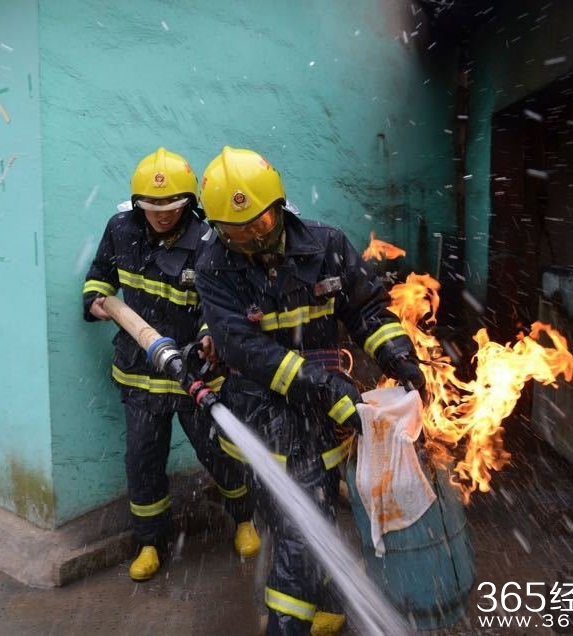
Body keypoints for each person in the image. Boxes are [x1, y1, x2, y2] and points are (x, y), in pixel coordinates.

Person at [194, 147, 425, 636]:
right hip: (262, 422)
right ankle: (288, 622)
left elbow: (366, 311)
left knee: (307, 521)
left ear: (278, 205)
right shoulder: (214, 266)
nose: (252, 237)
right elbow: (246, 350)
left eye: (258, 222)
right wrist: (324, 388)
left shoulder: (326, 245)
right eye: (235, 231)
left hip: (318, 422)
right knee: (298, 533)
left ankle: (324, 605)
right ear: (218, 230)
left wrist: (397, 355)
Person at [82, 147, 261, 582]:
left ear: (188, 204)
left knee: (219, 452)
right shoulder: (121, 230)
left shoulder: (206, 241)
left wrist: (206, 336)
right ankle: (149, 542)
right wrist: (95, 300)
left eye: (173, 207)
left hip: (193, 373)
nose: (162, 215)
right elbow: (101, 271)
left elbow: (216, 303)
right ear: (138, 204)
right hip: (139, 374)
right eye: (152, 207)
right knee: (143, 461)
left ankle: (243, 518)